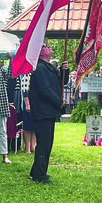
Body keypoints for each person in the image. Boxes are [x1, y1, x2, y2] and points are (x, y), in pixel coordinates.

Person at [28, 44, 68, 184]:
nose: (49, 46)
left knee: (46, 143)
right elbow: (45, 90)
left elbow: (62, 83)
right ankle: (39, 175)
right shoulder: (39, 69)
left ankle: (36, 171)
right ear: (40, 53)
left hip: (48, 111)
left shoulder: (49, 67)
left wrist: (64, 71)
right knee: (44, 143)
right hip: (42, 111)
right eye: (45, 46)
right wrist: (59, 101)